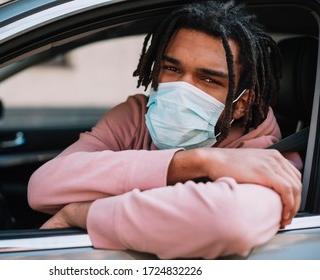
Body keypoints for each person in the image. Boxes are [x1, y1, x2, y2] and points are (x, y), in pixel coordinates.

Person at [27, 0, 302, 259]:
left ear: (241, 103)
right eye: (172, 68)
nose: (183, 87)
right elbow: (44, 186)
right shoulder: (137, 116)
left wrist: (81, 214)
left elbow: (226, 221)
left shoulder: (272, 159)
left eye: (208, 79)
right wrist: (200, 161)